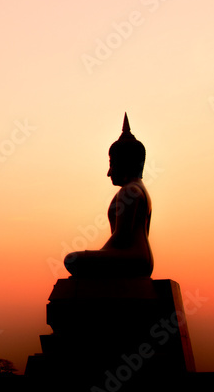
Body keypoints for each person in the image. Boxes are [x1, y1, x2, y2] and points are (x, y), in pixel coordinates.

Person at [64, 114, 153, 278]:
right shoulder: (138, 189)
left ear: (125, 163)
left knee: (71, 260)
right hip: (141, 260)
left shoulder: (130, 191)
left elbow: (122, 238)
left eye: (112, 164)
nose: (109, 172)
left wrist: (99, 254)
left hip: (134, 260)